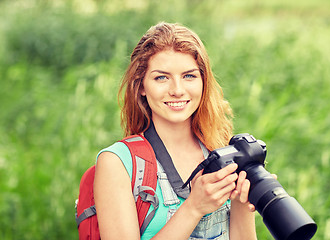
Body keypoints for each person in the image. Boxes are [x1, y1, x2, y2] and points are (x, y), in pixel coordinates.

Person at [93, 22, 257, 240]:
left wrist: (242, 203)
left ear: (203, 82)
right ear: (141, 86)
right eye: (161, 77)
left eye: (189, 76)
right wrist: (193, 208)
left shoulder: (220, 151)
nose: (177, 90)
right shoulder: (117, 163)